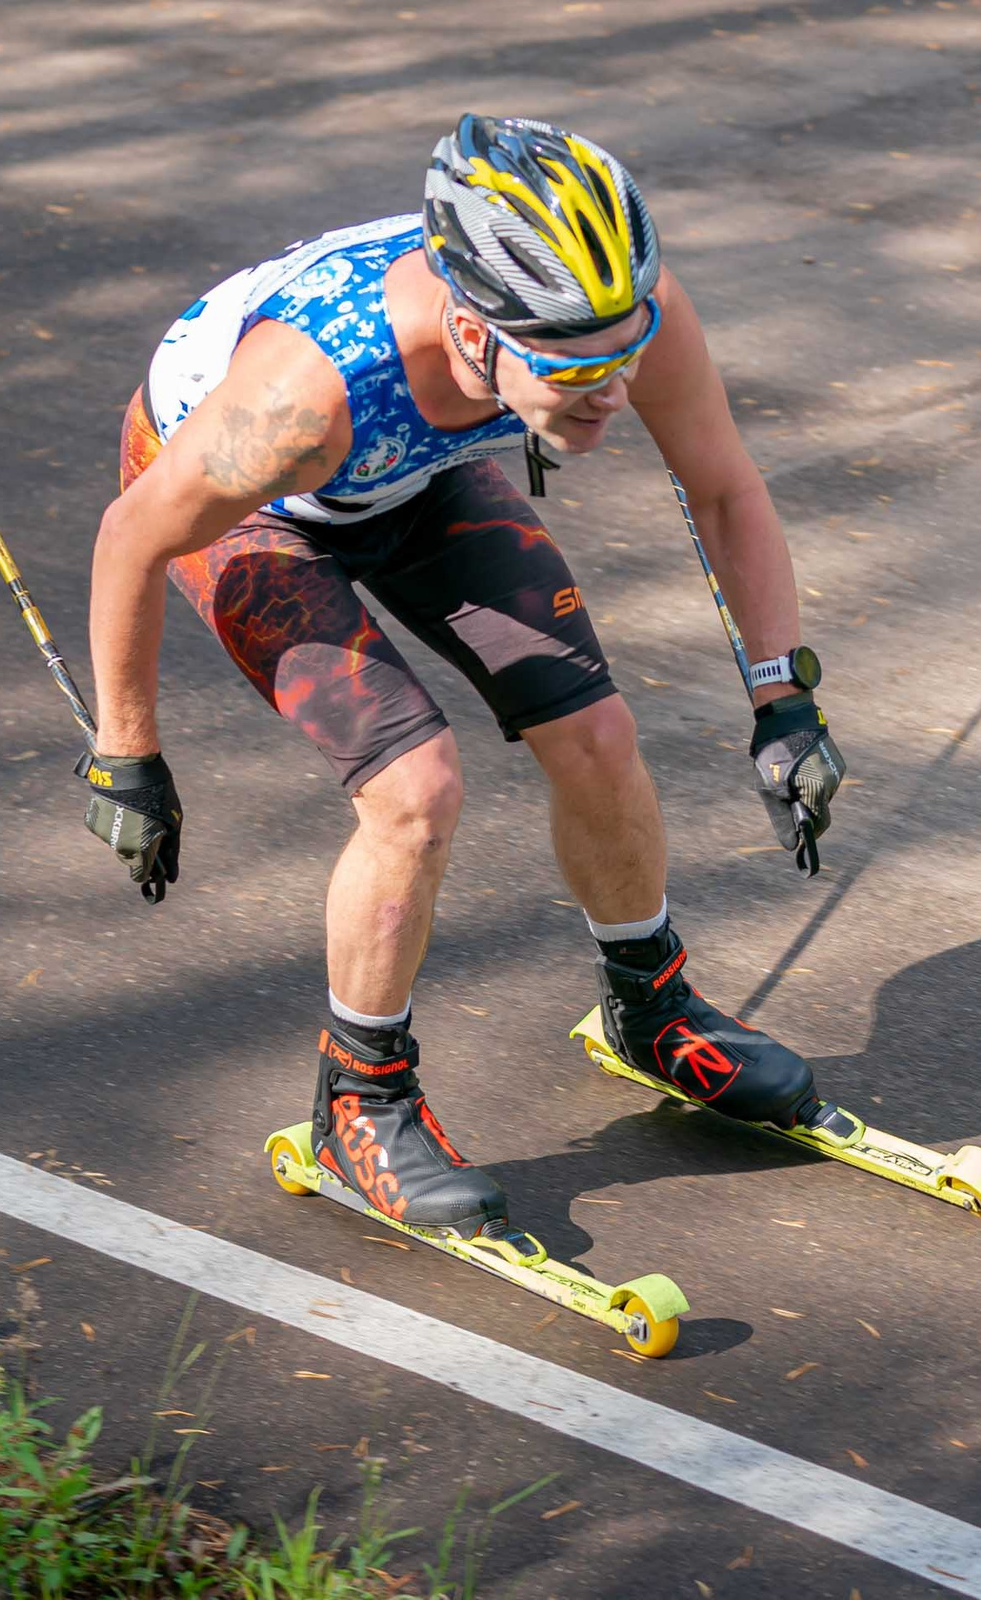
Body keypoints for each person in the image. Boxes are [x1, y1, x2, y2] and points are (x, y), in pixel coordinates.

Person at [78, 115, 846, 1236]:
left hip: (410, 473)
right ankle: (359, 1097)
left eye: (623, 354)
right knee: (414, 789)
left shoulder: (620, 307)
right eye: (577, 370)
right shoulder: (303, 394)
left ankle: (651, 1006)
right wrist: (126, 752)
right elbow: (131, 538)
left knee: (597, 737)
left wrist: (783, 696)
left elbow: (725, 488)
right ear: (472, 329)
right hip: (265, 508)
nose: (612, 390)